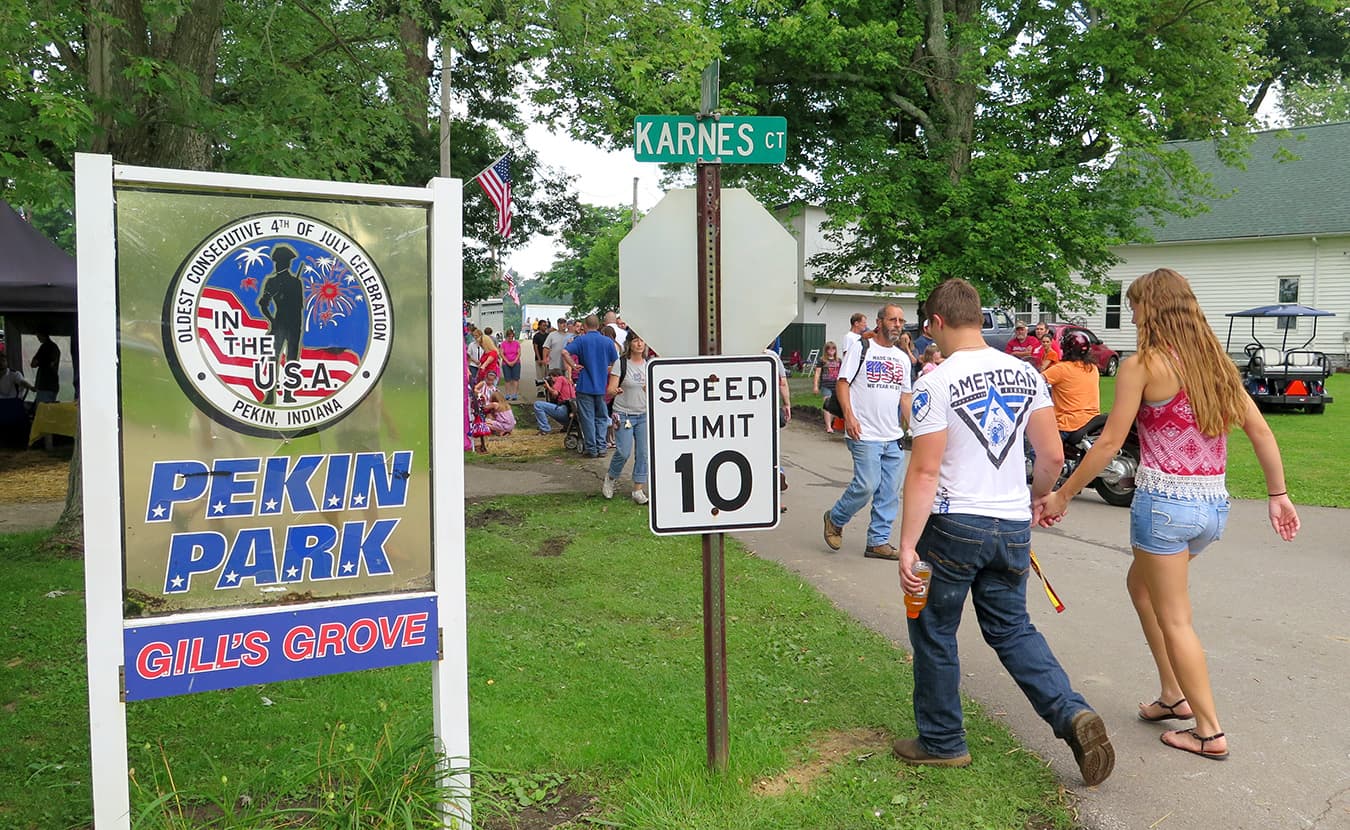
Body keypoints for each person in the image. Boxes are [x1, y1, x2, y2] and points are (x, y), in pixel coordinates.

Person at [1037, 268, 1300, 763]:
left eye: (1135, 304)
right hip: (1211, 510)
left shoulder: (1142, 365)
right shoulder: (1216, 366)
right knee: (1142, 589)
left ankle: (1208, 729)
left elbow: (1111, 442)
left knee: (1175, 618)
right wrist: (1278, 493)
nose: (1132, 312)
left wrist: (1064, 493)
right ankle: (1171, 695)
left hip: (1164, 508)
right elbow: (1261, 432)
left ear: (1151, 309)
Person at [893, 277, 1114, 786]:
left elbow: (925, 471)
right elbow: (1053, 454)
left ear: (939, 323)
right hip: (1011, 525)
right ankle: (1072, 714)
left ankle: (943, 741)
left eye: (929, 326)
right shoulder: (1027, 374)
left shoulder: (935, 382)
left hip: (952, 524)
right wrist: (1039, 497)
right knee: (1013, 630)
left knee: (933, 629)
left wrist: (907, 546)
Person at [821, 303, 912, 561]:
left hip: (892, 435)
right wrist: (849, 416)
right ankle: (835, 517)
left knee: (889, 491)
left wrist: (915, 427)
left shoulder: (902, 358)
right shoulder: (862, 348)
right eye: (893, 320)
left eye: (901, 321)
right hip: (864, 433)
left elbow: (905, 397)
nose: (897, 325)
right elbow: (842, 383)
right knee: (867, 484)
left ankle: (878, 542)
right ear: (880, 321)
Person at [602, 333, 651, 503]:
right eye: (636, 340)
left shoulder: (649, 365)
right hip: (623, 414)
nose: (639, 344)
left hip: (644, 414)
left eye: (642, 340)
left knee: (643, 452)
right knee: (623, 451)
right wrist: (616, 390)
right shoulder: (621, 363)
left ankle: (638, 489)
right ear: (629, 344)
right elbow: (610, 389)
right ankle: (611, 477)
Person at [564, 315, 618, 458]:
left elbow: (564, 352)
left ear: (585, 326)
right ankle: (602, 447)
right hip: (601, 385)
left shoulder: (581, 340)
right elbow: (616, 362)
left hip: (585, 385)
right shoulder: (607, 342)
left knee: (587, 418)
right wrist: (608, 369)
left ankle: (591, 448)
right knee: (601, 417)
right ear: (598, 325)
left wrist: (573, 366)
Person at [1042, 330, 1099, 437]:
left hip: (1067, 425)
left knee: (1034, 447)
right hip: (1092, 421)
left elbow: (1034, 381)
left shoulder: (1061, 369)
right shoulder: (1092, 368)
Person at [533, 368, 576, 434]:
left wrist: (548, 387)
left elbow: (555, 393)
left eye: (551, 377)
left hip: (565, 410)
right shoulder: (567, 381)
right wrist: (550, 387)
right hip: (572, 413)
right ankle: (568, 426)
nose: (551, 379)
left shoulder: (560, 378)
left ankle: (545, 429)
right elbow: (555, 398)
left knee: (537, 404)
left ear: (555, 375)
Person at [812, 341, 842, 433]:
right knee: (827, 404)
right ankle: (828, 426)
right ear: (826, 350)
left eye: (833, 348)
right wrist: (815, 386)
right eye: (829, 349)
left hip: (836, 385)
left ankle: (833, 423)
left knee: (835, 405)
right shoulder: (822, 361)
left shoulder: (839, 361)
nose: (831, 351)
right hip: (826, 385)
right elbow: (817, 373)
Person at [31, 333, 60, 403]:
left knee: (41, 410)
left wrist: (39, 361)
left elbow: (33, 364)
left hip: (44, 385)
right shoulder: (55, 348)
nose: (37, 338)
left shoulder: (44, 347)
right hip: (53, 385)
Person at [500, 328, 522, 400]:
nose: (510, 338)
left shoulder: (516, 343)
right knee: (507, 379)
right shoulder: (503, 344)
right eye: (509, 336)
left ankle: (514, 394)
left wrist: (514, 361)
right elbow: (502, 354)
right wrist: (508, 362)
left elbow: (519, 353)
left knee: (516, 378)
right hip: (506, 363)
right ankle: (507, 394)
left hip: (516, 362)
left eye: (512, 336)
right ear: (507, 336)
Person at [532, 321, 551, 395]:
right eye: (543, 325)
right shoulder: (537, 336)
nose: (545, 327)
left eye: (546, 325)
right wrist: (539, 358)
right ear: (539, 326)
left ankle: (547, 389)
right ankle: (540, 390)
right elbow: (535, 347)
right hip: (539, 358)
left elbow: (549, 347)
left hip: (547, 358)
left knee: (547, 375)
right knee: (540, 375)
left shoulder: (548, 335)